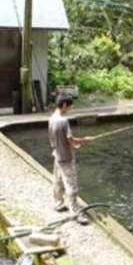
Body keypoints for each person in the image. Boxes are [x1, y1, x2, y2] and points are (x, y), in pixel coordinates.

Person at [49, 95, 94, 225]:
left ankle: (58, 204)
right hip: (66, 157)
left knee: (57, 181)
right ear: (64, 105)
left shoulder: (52, 118)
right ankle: (75, 213)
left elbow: (60, 139)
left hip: (57, 154)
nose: (71, 108)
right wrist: (85, 139)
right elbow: (71, 139)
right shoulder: (63, 121)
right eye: (70, 105)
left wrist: (73, 145)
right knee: (71, 185)